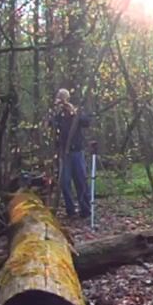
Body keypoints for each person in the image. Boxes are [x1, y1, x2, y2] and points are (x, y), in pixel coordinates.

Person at [51, 88, 93, 219]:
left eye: (63, 97)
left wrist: (75, 114)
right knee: (64, 183)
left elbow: (86, 122)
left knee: (81, 181)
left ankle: (85, 209)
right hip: (64, 153)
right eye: (60, 97)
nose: (61, 100)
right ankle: (70, 211)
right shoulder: (58, 115)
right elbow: (52, 127)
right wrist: (56, 113)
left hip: (77, 152)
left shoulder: (75, 112)